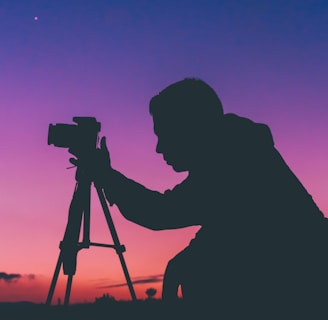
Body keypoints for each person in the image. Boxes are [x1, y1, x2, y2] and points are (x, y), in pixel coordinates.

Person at [79, 78, 328, 317]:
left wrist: (107, 177)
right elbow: (223, 227)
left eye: (163, 134)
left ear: (188, 127)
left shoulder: (230, 161)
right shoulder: (237, 148)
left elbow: (161, 212)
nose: (158, 148)